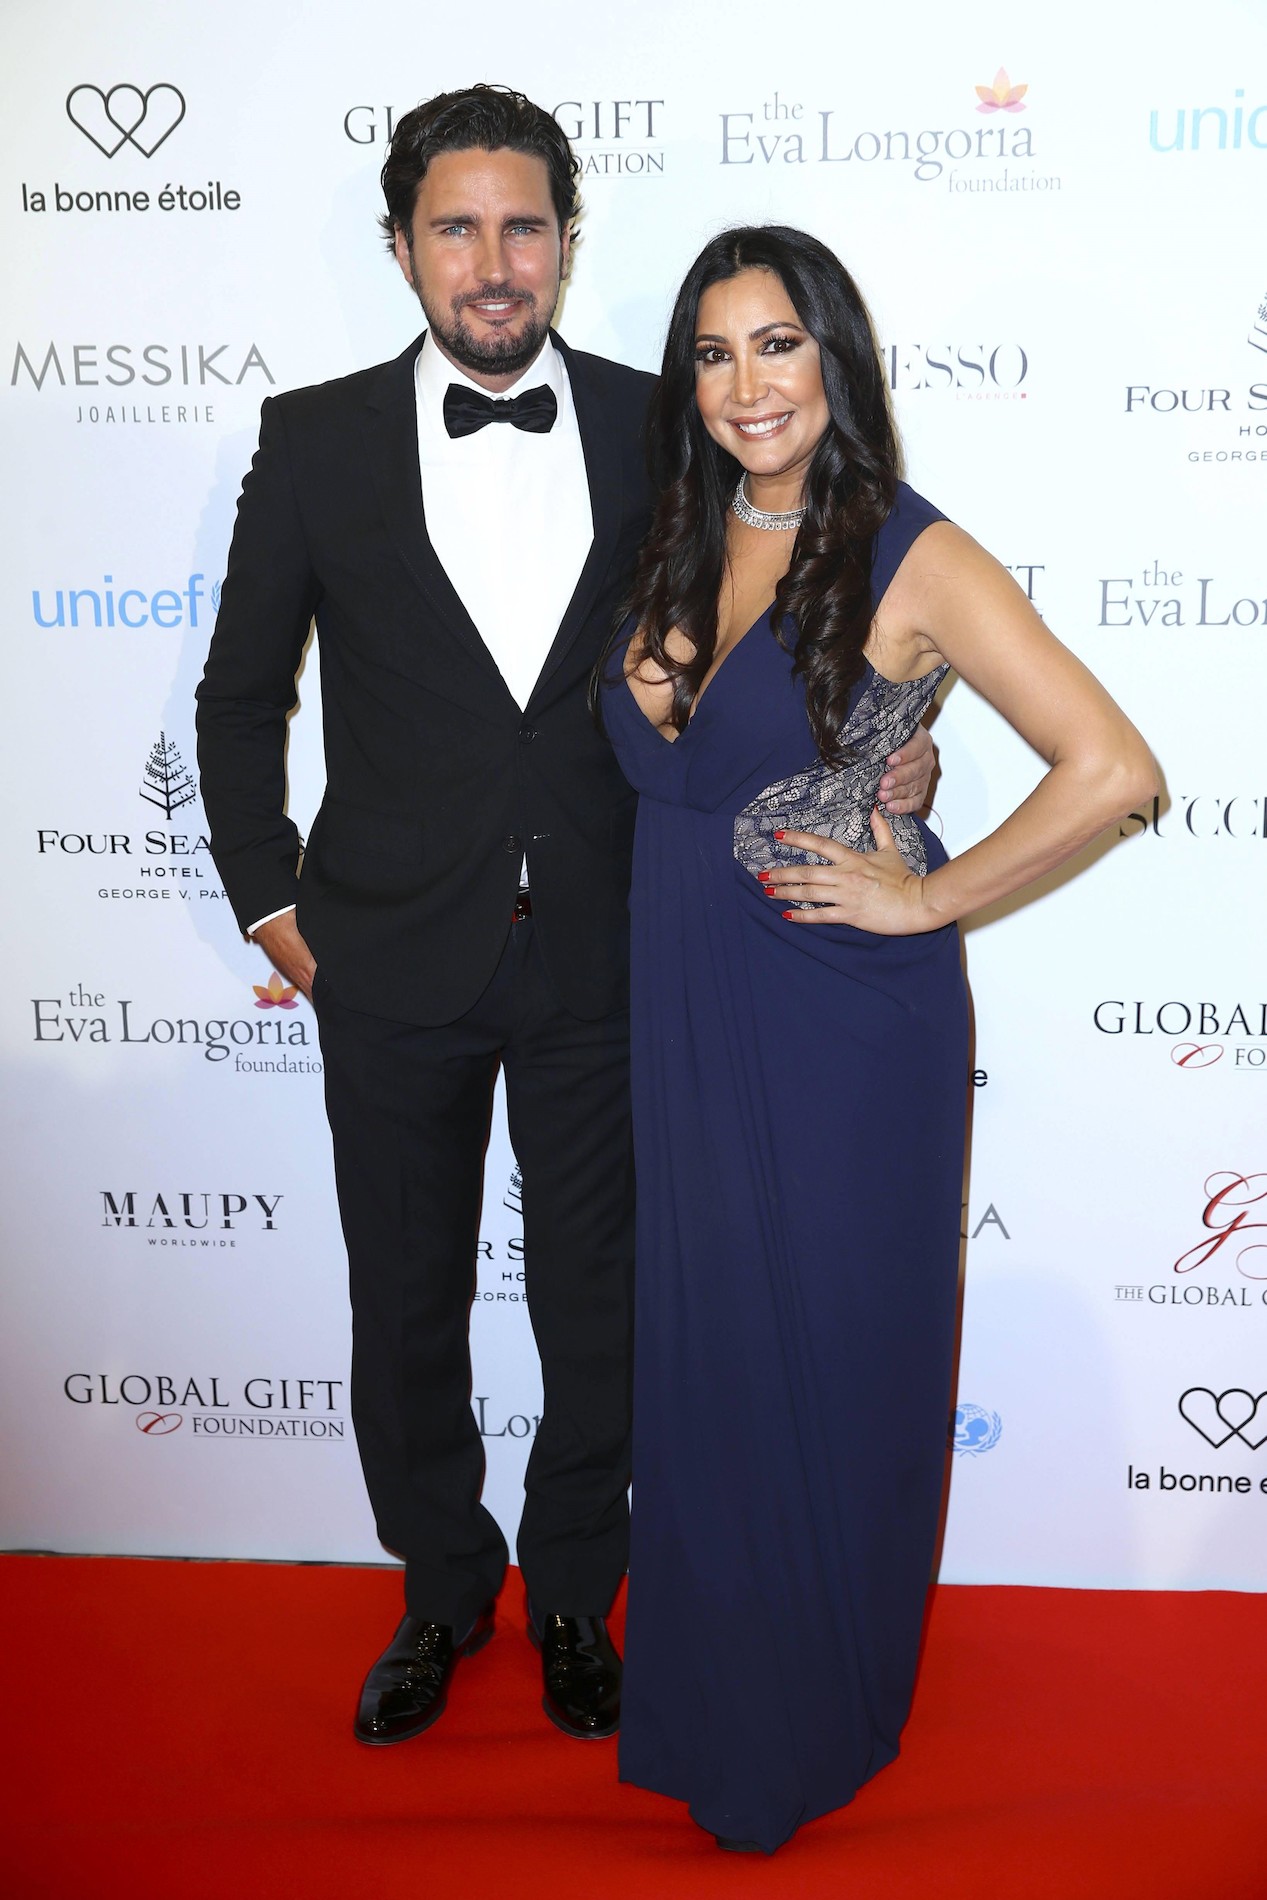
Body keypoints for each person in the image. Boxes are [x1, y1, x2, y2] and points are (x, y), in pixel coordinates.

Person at [195, 85, 941, 1749]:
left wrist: (888, 748)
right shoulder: (313, 440)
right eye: (455, 229)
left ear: (566, 240)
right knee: (405, 1298)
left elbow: (796, 609)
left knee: (599, 1298)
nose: (493, 262)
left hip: (620, 948)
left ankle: (572, 1593)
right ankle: (439, 1587)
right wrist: (271, 904)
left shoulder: (658, 421)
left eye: (522, 226)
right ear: (402, 246)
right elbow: (240, 698)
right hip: (388, 949)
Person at [600, 225, 1157, 1853]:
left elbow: (1112, 767)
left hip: (839, 1024)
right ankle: (714, 1706)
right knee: (715, 1358)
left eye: (777, 344)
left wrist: (930, 898)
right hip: (688, 1001)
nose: (746, 385)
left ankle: (803, 1722)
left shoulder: (913, 553)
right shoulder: (674, 532)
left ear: (836, 358)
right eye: (714, 353)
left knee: (828, 1356)